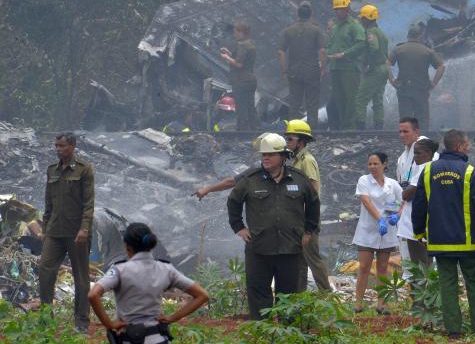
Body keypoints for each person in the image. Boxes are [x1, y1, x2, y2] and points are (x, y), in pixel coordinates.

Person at [412, 129, 475, 337]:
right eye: (467, 144)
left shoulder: (428, 171)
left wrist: (418, 233)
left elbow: (419, 205)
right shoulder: (469, 172)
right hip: (468, 242)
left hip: (440, 243)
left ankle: (453, 331)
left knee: (447, 287)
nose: (469, 147)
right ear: (459, 146)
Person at [227, 133, 320, 319]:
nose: (266, 158)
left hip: (291, 249)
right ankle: (263, 333)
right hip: (259, 249)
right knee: (259, 295)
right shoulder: (250, 179)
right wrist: (239, 227)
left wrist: (309, 231)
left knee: (289, 297)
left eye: (270, 154)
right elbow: (233, 201)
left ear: (283, 157)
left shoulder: (298, 179)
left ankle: (288, 334)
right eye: (263, 155)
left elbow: (313, 203)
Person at [89, 223, 209, 343]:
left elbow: (93, 294)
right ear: (151, 245)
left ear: (126, 246)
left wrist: (109, 324)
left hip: (130, 339)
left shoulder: (119, 270)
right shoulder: (166, 269)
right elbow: (202, 295)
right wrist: (171, 318)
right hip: (159, 338)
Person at [39, 132, 95, 333]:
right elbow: (48, 203)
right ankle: (46, 318)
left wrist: (84, 229)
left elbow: (89, 203)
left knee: (81, 278)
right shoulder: (51, 170)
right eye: (56, 146)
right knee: (45, 271)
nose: (57, 149)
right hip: (54, 231)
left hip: (76, 232)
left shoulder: (84, 169)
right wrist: (44, 229)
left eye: (61, 146)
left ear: (72, 146)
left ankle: (81, 322)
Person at [284, 121, 333, 293]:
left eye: (290, 139)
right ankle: (300, 296)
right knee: (300, 261)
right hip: (297, 218)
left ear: (301, 141)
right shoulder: (296, 161)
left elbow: (313, 191)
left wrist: (309, 224)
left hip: (306, 218)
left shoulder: (307, 160)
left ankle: (326, 294)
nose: (287, 142)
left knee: (312, 258)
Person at [352, 152, 403, 313]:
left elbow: (403, 201)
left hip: (387, 231)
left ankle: (382, 304)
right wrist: (379, 219)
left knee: (382, 267)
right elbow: (366, 202)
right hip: (367, 230)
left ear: (385, 164)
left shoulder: (393, 184)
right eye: (370, 164)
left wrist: (397, 215)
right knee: (364, 267)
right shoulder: (364, 180)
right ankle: (358, 303)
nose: (372, 167)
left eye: (376, 164)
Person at [389, 25, 445, 130]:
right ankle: (421, 142)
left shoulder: (398, 49)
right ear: (420, 36)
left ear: (408, 35)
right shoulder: (427, 51)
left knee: (405, 119)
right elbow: (441, 67)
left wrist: (392, 80)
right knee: (422, 119)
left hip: (403, 89)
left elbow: (386, 63)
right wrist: (433, 83)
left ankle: (407, 143)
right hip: (421, 90)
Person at [278, 1, 324, 130]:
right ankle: (312, 131)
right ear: (311, 14)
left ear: (297, 14)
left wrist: (284, 70)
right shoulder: (316, 30)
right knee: (312, 104)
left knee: (294, 104)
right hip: (312, 71)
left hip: (294, 72)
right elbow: (322, 51)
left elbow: (280, 52)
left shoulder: (289, 31)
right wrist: (322, 68)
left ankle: (293, 130)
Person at [324, 0, 367, 130]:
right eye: (336, 9)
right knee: (339, 100)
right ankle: (343, 128)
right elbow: (331, 44)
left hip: (349, 69)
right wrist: (327, 55)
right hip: (336, 68)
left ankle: (351, 128)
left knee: (351, 100)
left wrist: (344, 54)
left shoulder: (354, 26)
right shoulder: (336, 27)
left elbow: (361, 44)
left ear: (347, 9)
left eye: (341, 9)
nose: (338, 12)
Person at [354, 4, 391, 130]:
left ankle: (360, 127)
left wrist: (366, 63)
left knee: (360, 98)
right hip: (384, 69)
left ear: (367, 19)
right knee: (377, 99)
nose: (360, 20)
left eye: (362, 18)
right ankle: (378, 127)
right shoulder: (381, 33)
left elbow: (373, 47)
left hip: (375, 69)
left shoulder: (370, 32)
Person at [395, 117, 425, 267]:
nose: (402, 135)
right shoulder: (402, 158)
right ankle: (412, 290)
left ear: (416, 132)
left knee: (424, 264)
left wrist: (404, 196)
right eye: (400, 131)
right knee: (409, 264)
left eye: (405, 131)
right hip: (406, 215)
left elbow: (415, 187)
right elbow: (402, 186)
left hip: (422, 214)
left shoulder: (425, 151)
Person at [220, 21, 258, 132]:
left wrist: (226, 57)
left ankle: (242, 132)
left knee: (241, 108)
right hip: (251, 80)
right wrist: (229, 53)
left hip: (241, 81)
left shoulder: (242, 45)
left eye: (236, 32)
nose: (234, 34)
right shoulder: (250, 43)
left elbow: (239, 64)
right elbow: (243, 60)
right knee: (251, 107)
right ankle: (256, 130)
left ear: (241, 32)